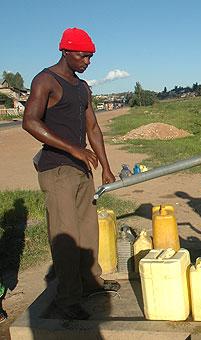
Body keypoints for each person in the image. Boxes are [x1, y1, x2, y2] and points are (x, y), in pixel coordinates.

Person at [23, 27, 119, 320]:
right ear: (65, 50)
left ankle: (90, 283)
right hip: (57, 169)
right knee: (66, 236)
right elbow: (30, 122)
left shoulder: (82, 87)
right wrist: (73, 149)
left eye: (90, 56)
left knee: (88, 231)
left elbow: (92, 128)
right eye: (82, 55)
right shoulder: (45, 80)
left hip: (81, 171)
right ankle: (67, 299)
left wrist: (106, 166)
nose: (86, 61)